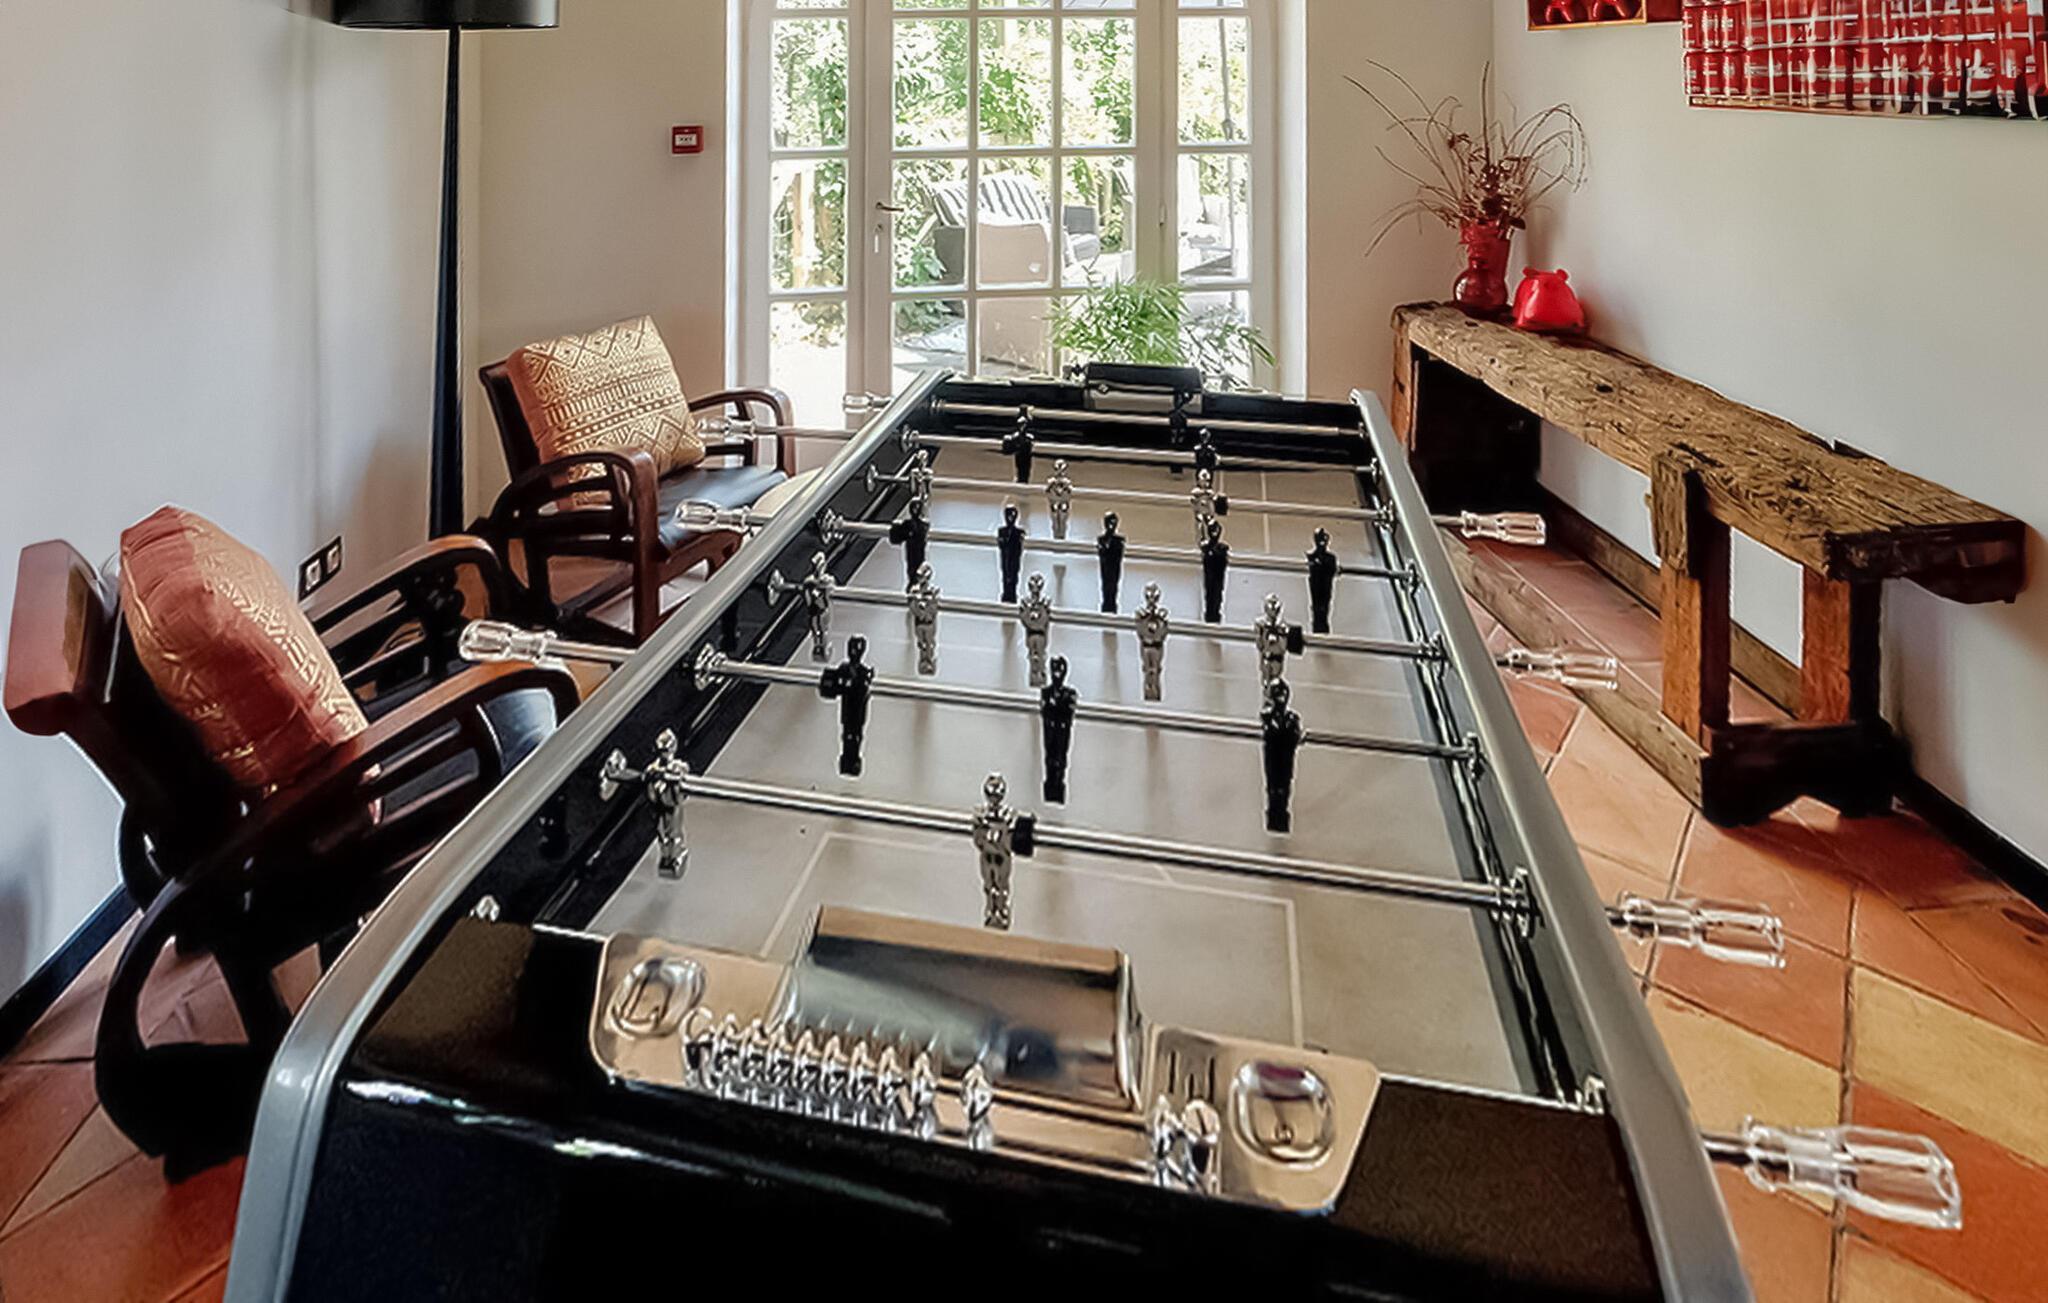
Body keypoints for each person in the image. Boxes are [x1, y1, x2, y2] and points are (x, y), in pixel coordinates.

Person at [817, 635, 876, 777]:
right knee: (849, 735)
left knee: (854, 736)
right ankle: (848, 762)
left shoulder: (862, 672)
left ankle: (852, 761)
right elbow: (832, 684)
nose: (854, 652)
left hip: (856, 711)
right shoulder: (847, 669)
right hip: (850, 710)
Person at [1261, 678, 1304, 835]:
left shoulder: (1291, 718)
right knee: (1274, 788)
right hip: (1275, 758)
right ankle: (1274, 818)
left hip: (1284, 758)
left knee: (1283, 788)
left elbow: (1296, 737)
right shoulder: (1268, 717)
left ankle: (1280, 818)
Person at [1039, 657, 1078, 805]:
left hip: (1062, 730)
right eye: (1054, 670)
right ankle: (1051, 786)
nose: (1057, 675)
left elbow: (1067, 712)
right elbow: (1046, 710)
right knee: (1050, 758)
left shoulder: (1070, 693)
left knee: (1060, 759)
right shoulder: (1046, 692)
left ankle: (1058, 783)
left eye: (1060, 671)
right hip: (1050, 729)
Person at [1134, 583, 1170, 702]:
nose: (1151, 600)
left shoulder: (1162, 615)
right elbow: (1140, 630)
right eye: (1149, 597)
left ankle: (1155, 694)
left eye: (1154, 597)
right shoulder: (1141, 615)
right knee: (1148, 670)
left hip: (1157, 646)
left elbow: (1164, 631)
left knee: (1155, 670)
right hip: (1146, 646)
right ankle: (1148, 694)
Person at [1018, 573, 1054, 687]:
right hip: (1032, 634)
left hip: (1041, 634)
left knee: (1040, 657)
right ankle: (1034, 677)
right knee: (1033, 657)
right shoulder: (1026, 603)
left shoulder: (1045, 602)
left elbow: (1045, 619)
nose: (1035, 589)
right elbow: (1025, 618)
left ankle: (1041, 677)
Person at [1306, 529, 1339, 634]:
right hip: (1317, 584)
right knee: (1317, 606)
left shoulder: (1330, 558)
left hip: (1325, 584)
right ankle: (1318, 625)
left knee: (1324, 606)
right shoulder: (1312, 557)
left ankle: (1322, 625)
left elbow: (1332, 570)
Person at [997, 501, 1026, 604]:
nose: (1010, 518)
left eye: (1012, 516)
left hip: (1014, 557)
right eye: (1009, 515)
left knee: (1013, 576)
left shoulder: (1018, 532)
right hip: (1005, 557)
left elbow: (1019, 547)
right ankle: (1007, 594)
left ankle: (1012, 594)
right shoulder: (1002, 531)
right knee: (1006, 575)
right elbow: (1001, 544)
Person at [1097, 512, 1126, 614]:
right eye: (1109, 523)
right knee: (1106, 586)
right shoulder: (1101, 540)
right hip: (1106, 566)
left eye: (1113, 523)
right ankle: (1107, 604)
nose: (1111, 526)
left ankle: (1111, 605)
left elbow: (1118, 554)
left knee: (1113, 586)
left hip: (1114, 566)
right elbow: (1102, 552)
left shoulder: (1119, 541)